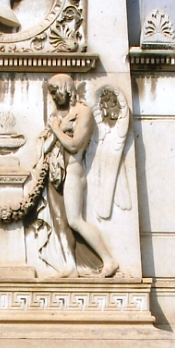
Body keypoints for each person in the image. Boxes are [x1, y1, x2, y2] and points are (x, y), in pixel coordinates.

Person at [42, 73, 118, 277]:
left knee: (75, 220)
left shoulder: (82, 112)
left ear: (67, 89)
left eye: (57, 92)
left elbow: (74, 145)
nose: (55, 98)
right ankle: (70, 265)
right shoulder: (60, 115)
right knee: (62, 221)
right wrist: (58, 128)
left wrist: (57, 129)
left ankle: (109, 260)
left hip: (74, 171)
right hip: (57, 173)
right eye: (52, 94)